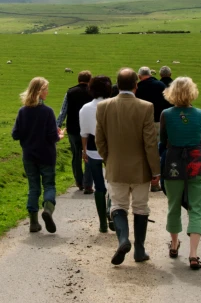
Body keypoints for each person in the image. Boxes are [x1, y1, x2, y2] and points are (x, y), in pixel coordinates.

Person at [96, 68, 160, 265]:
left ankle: (123, 239)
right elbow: (150, 142)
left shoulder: (103, 107)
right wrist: (155, 170)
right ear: (136, 85)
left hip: (116, 166)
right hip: (140, 168)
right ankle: (139, 250)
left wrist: (109, 159)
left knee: (118, 206)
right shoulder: (146, 107)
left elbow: (100, 140)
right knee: (141, 207)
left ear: (117, 83)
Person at [160, 76, 201, 270]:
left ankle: (174, 245)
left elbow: (163, 141)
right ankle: (193, 254)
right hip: (196, 163)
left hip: (173, 164)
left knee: (173, 206)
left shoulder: (166, 114)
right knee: (196, 208)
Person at [12, 77, 64, 233]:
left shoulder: (22, 111)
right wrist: (59, 136)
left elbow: (15, 134)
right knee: (49, 184)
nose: (48, 92)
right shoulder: (48, 112)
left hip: (29, 155)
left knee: (33, 187)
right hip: (47, 155)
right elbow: (52, 136)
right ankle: (48, 210)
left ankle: (33, 223)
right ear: (40, 92)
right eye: (46, 89)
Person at [79, 75, 112, 233]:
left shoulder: (85, 108)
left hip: (92, 148)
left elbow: (84, 133)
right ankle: (110, 211)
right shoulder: (113, 106)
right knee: (113, 183)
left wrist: (84, 150)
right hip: (112, 149)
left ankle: (102, 224)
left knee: (99, 186)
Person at [57, 71, 94, 193]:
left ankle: (79, 181)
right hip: (89, 129)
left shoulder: (70, 92)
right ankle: (88, 184)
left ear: (78, 80)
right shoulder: (92, 92)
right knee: (89, 154)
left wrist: (57, 125)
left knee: (76, 155)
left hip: (73, 128)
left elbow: (63, 111)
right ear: (90, 80)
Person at [135, 66, 168, 192]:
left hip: (142, 124)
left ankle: (142, 181)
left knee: (143, 151)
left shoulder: (138, 88)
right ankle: (155, 183)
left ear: (139, 76)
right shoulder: (160, 85)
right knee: (157, 152)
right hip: (158, 122)